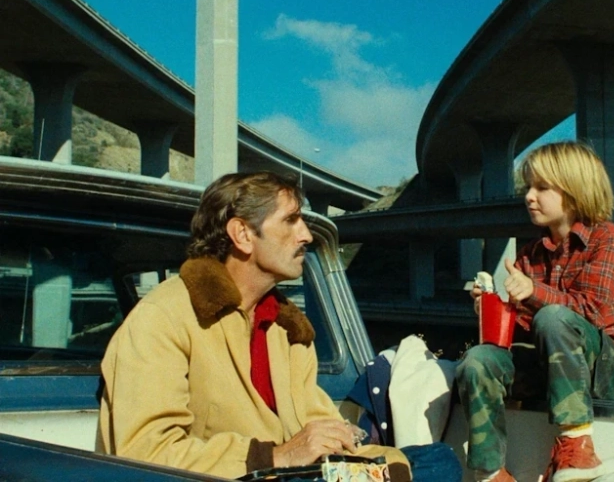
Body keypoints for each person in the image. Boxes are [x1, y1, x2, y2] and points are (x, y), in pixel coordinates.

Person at [96, 171, 412, 480]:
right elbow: (145, 455)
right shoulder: (163, 317)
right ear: (243, 234)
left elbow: (326, 435)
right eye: (291, 220)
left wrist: (385, 470)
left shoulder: (287, 331)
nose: (306, 235)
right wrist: (275, 457)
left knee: (423, 464)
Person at [456, 141, 614, 482]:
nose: (529, 196)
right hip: (549, 369)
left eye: (542, 188)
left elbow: (591, 312)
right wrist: (494, 308)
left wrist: (534, 292)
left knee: (553, 317)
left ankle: (577, 444)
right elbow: (526, 330)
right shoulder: (530, 254)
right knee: (478, 359)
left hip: (604, 372)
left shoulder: (607, 239)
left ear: (573, 190)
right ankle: (490, 472)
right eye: (528, 187)